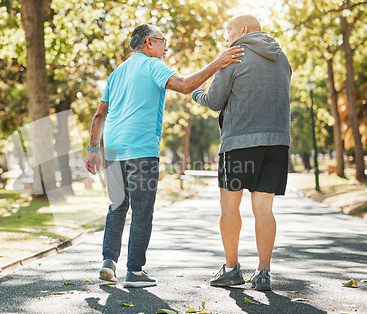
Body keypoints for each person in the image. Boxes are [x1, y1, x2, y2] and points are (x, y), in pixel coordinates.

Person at [85, 23, 244, 288]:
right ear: (149, 42)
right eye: (162, 41)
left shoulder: (117, 72)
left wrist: (92, 150)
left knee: (116, 207)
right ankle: (134, 272)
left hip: (112, 152)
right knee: (142, 210)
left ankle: (108, 263)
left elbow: (100, 114)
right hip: (141, 152)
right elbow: (183, 85)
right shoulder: (152, 65)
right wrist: (217, 63)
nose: (166, 48)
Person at [191, 15, 292, 291]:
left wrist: (196, 93)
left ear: (243, 30)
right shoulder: (281, 57)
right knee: (264, 210)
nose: (226, 37)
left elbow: (213, 101)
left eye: (228, 30)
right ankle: (263, 273)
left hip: (240, 145)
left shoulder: (234, 55)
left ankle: (232, 269)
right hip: (277, 143)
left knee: (229, 207)